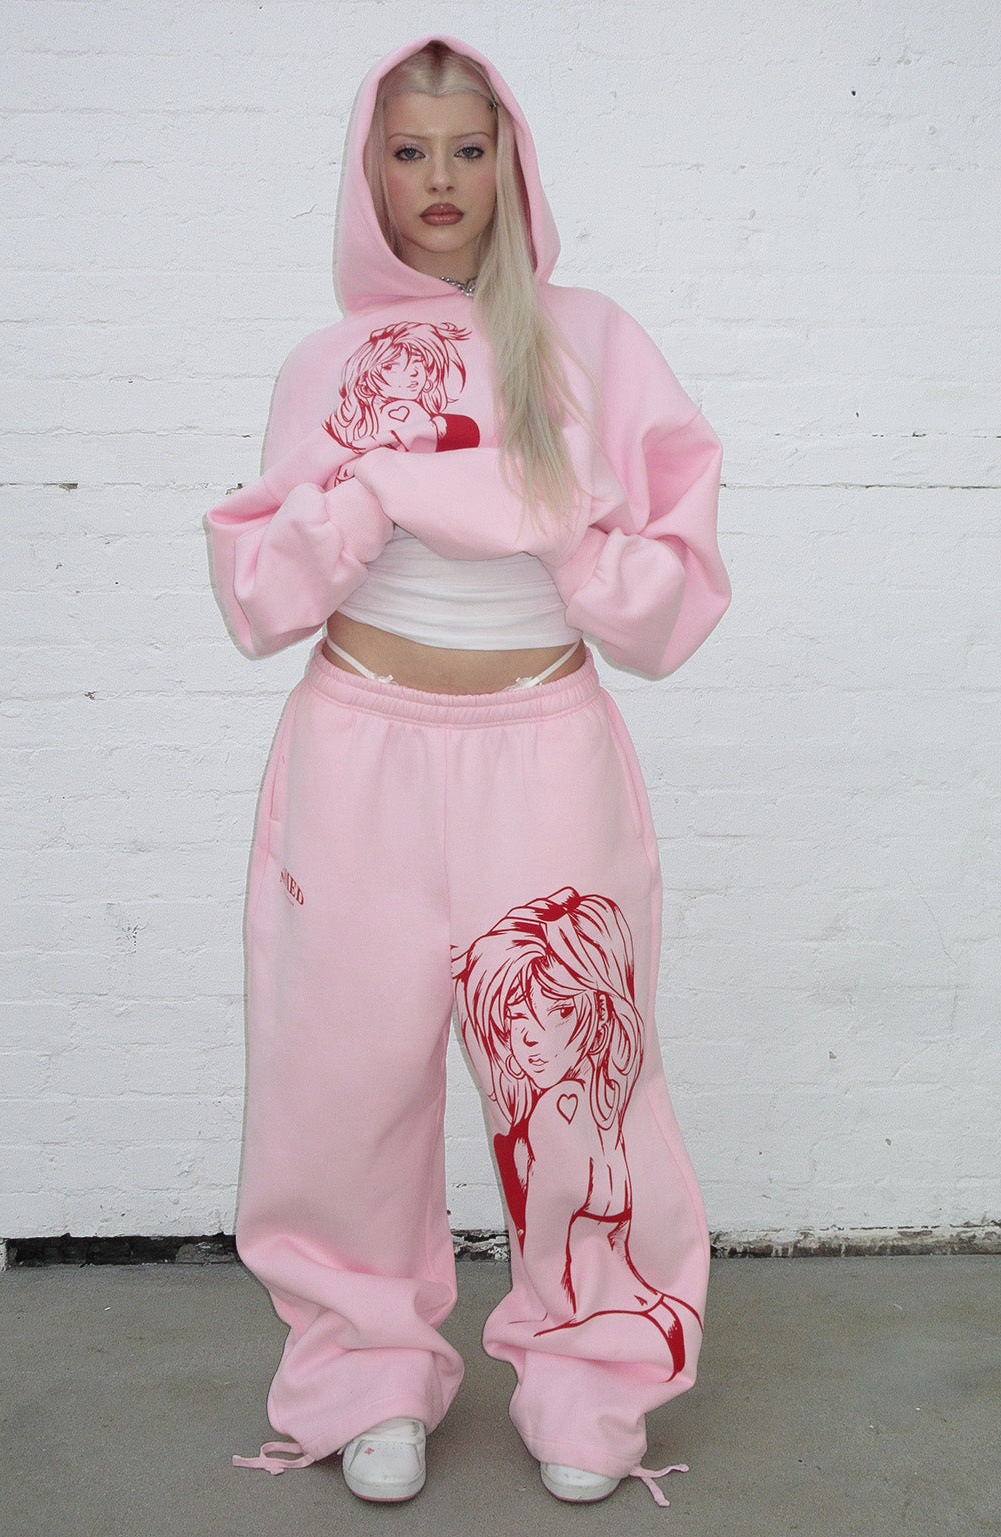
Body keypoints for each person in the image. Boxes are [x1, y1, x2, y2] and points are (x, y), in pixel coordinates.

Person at [205, 34, 729, 1508]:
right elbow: (258, 595)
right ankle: (363, 1368)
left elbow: (674, 604)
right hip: (356, 753)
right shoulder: (325, 366)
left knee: (579, 1077)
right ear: (369, 173)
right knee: (340, 1073)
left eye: (467, 147)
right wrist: (372, 493)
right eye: (409, 150)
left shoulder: (594, 343)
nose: (440, 178)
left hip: (543, 749)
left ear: (512, 163)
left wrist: (555, 527)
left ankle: (594, 1371)